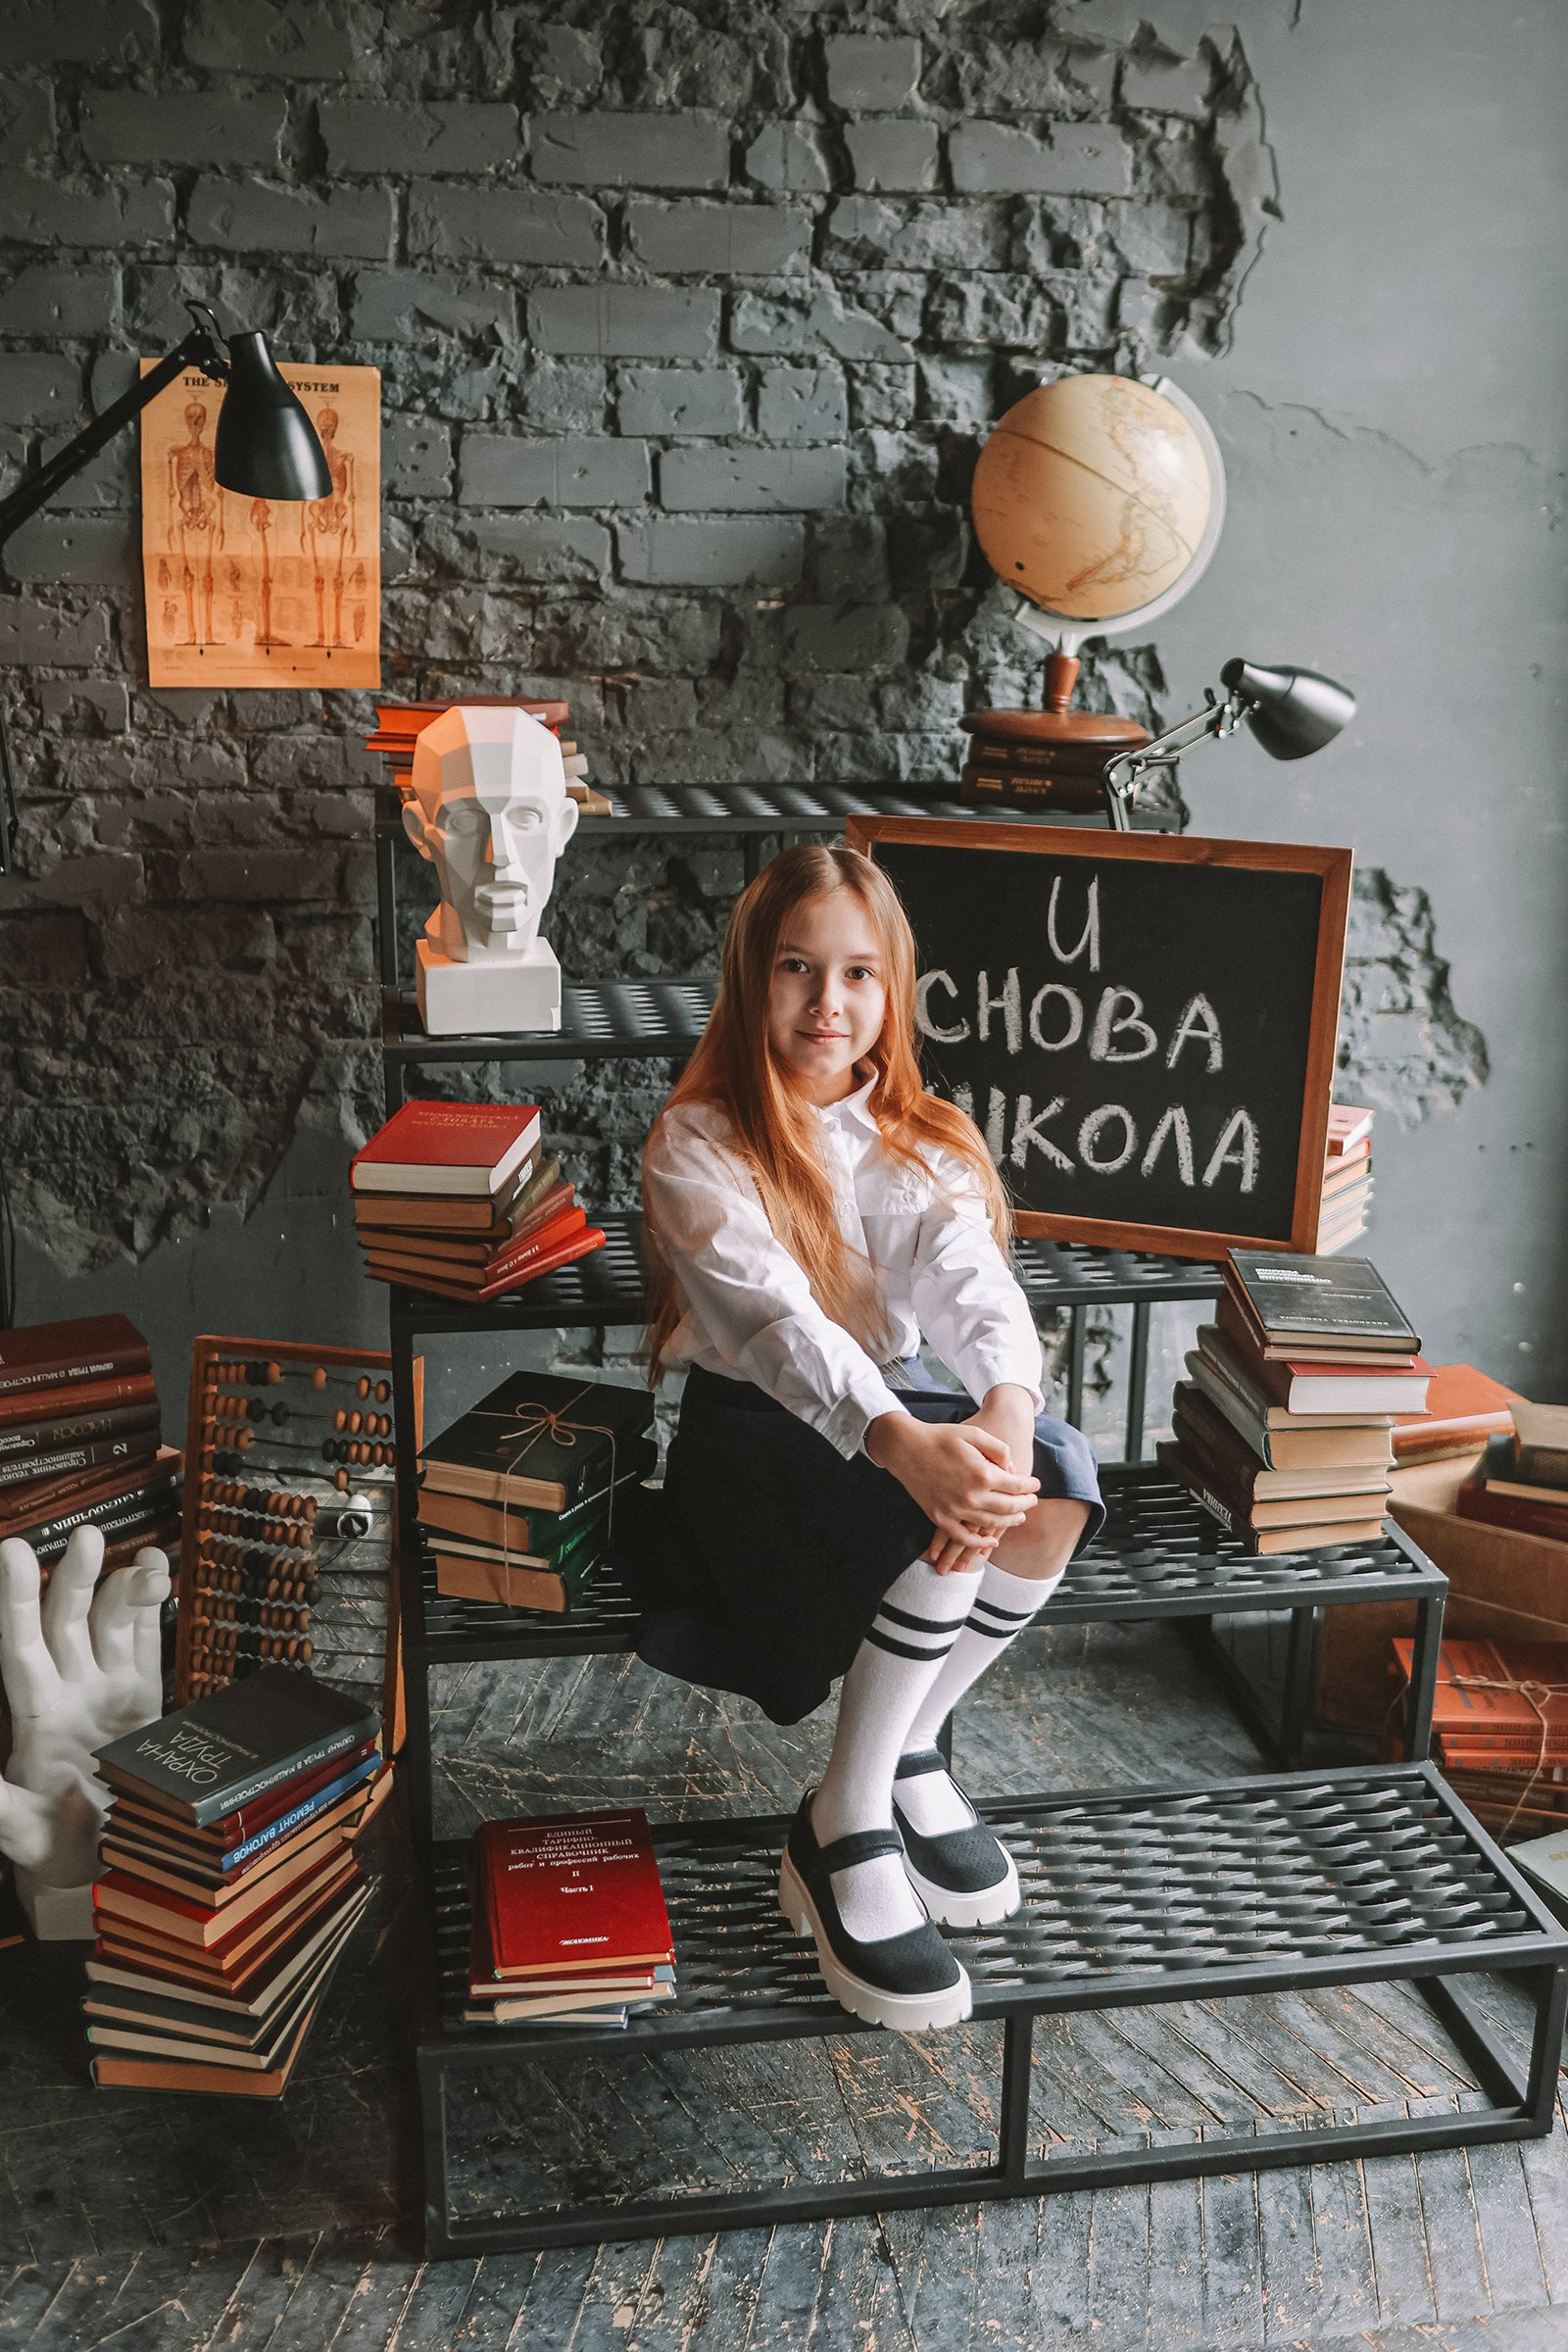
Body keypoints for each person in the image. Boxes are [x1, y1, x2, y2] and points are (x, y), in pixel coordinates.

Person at [638, 844, 1104, 2034]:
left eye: (856, 973)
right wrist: (909, 1445)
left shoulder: (920, 1138)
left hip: (890, 1419)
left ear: (892, 989)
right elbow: (778, 1327)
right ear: (751, 978)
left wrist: (1003, 1411)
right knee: (929, 1497)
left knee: (1052, 1477)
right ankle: (840, 1823)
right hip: (750, 1447)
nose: (826, 1003)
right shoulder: (698, 1143)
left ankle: (902, 1750)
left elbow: (969, 1280)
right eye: (796, 968)